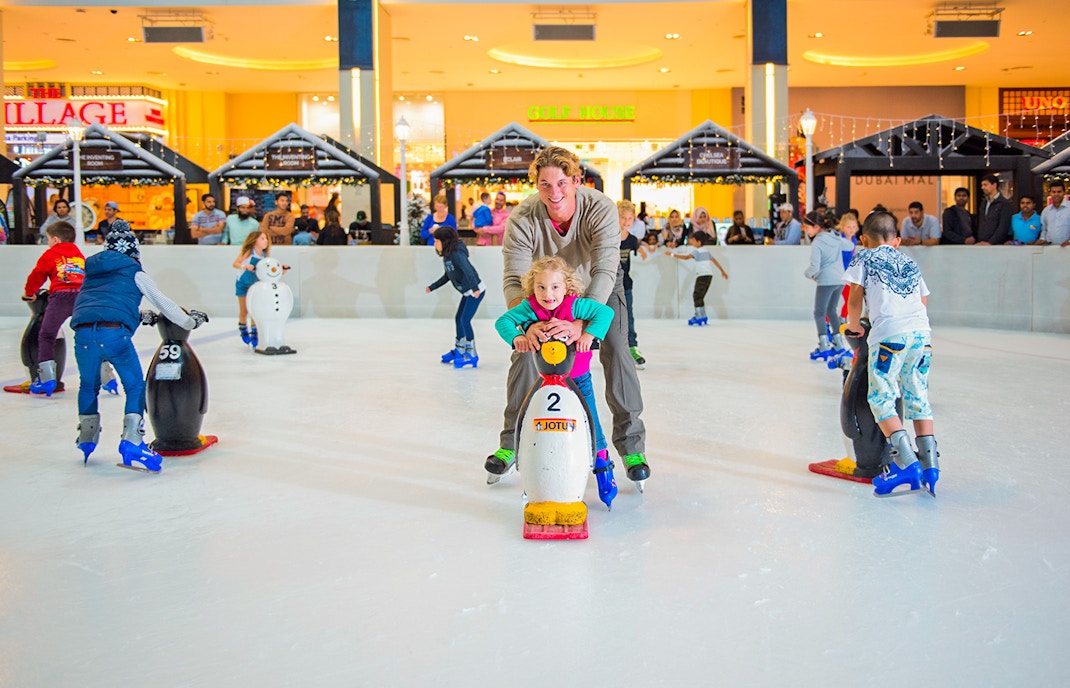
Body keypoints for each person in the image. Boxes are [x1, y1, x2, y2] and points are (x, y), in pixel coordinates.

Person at [488, 145, 650, 486]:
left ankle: (631, 446)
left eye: (561, 182)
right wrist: (530, 325)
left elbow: (606, 268)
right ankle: (509, 444)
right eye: (545, 185)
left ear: (576, 180)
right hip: (546, 291)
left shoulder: (600, 208)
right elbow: (515, 277)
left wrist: (583, 324)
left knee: (618, 349)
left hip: (597, 288)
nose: (554, 192)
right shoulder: (524, 217)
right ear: (536, 185)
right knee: (526, 351)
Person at [70, 220, 207, 472]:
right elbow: (164, 304)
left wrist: (135, 314)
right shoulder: (134, 271)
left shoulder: (92, 273)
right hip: (115, 336)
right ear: (133, 251)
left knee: (88, 385)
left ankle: (87, 437)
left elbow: (98, 304)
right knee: (134, 385)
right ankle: (132, 439)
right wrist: (191, 322)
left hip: (83, 335)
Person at [494, 255, 616, 500]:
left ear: (566, 287)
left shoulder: (575, 305)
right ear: (532, 288)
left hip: (578, 378)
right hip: (545, 380)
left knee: (590, 419)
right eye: (540, 287)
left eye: (555, 287)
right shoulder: (530, 308)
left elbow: (604, 312)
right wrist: (517, 337)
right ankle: (530, 466)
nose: (548, 294)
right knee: (531, 417)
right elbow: (503, 321)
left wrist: (588, 334)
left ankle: (602, 463)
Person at [844, 211, 939, 497]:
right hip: (922, 334)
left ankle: (906, 462)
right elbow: (923, 299)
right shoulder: (909, 260)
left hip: (890, 335)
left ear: (863, 239)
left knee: (880, 397)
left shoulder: (863, 257)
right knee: (917, 393)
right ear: (896, 240)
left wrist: (853, 325)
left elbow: (855, 295)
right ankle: (930, 463)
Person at [22, 221, 85, 396]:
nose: (47, 242)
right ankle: (105, 376)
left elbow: (37, 275)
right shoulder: (78, 255)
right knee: (88, 334)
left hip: (61, 297)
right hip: (82, 297)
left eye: (48, 239)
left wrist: (29, 293)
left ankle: (47, 378)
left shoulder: (51, 254)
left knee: (47, 334)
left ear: (55, 239)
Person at [426, 226, 484, 368]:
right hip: (467, 291)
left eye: (436, 241)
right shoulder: (448, 256)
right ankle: (460, 349)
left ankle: (472, 353)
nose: (435, 244)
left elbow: (468, 270)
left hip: (475, 291)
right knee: (458, 318)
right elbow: (448, 276)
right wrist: (432, 287)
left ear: (444, 241)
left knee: (465, 319)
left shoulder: (457, 254)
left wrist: (475, 288)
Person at [803, 215, 852, 358]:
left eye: (807, 227)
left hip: (826, 281)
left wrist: (807, 274)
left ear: (816, 227)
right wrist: (838, 236)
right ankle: (838, 343)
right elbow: (849, 246)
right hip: (839, 280)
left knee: (819, 312)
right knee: (831, 310)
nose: (806, 231)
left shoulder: (817, 243)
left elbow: (814, 266)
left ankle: (823, 345)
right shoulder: (834, 238)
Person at [665, 231, 728, 326]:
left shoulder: (697, 251)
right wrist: (722, 271)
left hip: (702, 275)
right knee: (700, 296)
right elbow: (714, 261)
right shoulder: (706, 251)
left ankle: (699, 315)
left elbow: (686, 258)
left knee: (697, 295)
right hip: (708, 275)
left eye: (693, 240)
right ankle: (702, 315)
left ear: (698, 242)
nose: (691, 242)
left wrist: (672, 255)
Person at [617, 200, 651, 369]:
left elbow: (637, 248)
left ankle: (632, 347)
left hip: (626, 285)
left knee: (628, 316)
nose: (626, 221)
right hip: (608, 285)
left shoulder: (631, 240)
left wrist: (642, 247)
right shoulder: (610, 237)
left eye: (630, 218)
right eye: (623, 217)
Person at [233, 230, 271, 348]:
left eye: (266, 239)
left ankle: (255, 332)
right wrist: (245, 266)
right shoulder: (249, 252)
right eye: (262, 238)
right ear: (255, 240)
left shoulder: (265, 256)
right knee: (244, 311)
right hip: (243, 284)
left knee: (255, 311)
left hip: (256, 286)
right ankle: (243, 327)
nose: (266, 241)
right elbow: (235, 264)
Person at [975, 174, 1011, 245]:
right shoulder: (983, 203)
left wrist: (991, 242)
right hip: (981, 243)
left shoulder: (1004, 204)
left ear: (994, 185)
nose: (982, 187)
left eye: (985, 185)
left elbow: (1003, 226)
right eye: (982, 185)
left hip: (996, 245)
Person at [1039, 180, 1070, 247]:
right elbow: (1044, 230)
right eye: (1054, 192)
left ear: (1064, 192)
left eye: (1059, 192)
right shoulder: (1046, 211)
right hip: (1050, 248)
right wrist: (1042, 239)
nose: (1056, 194)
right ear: (1050, 193)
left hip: (1067, 248)